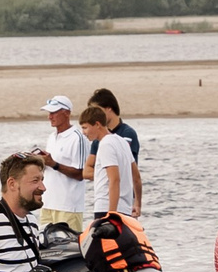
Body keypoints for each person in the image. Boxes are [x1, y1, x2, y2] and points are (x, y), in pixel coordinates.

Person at [79, 104, 138, 228]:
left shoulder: (105, 144)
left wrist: (111, 215)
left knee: (101, 246)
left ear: (97, 124)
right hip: (125, 209)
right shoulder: (121, 141)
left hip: (106, 208)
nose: (83, 133)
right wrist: (138, 204)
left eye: (85, 128)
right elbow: (136, 176)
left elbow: (114, 179)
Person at [87, 89, 144, 217]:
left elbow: (130, 175)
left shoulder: (126, 135)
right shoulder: (98, 138)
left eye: (97, 111)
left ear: (108, 109)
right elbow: (86, 170)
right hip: (106, 200)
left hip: (123, 202)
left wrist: (137, 203)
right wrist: (104, 173)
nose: (94, 116)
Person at [37, 97, 86, 230]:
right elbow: (50, 165)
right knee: (44, 247)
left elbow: (81, 174)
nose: (49, 117)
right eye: (49, 113)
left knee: (70, 248)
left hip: (68, 206)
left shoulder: (78, 138)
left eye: (53, 113)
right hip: (47, 204)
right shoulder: (52, 137)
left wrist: (54, 164)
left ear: (67, 113)